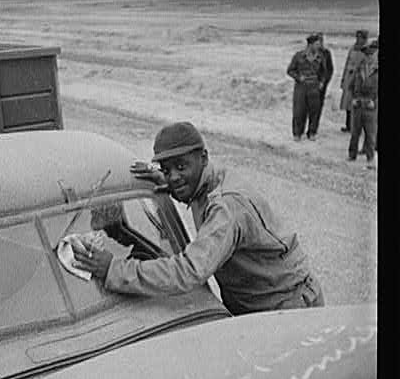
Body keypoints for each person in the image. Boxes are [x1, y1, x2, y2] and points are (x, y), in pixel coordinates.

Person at [72, 122, 324, 316]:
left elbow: (189, 271)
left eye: (181, 167)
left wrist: (112, 269)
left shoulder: (226, 207)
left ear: (203, 157)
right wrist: (170, 182)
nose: (173, 176)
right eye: (166, 169)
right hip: (255, 303)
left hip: (286, 305)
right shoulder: (209, 180)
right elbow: (196, 190)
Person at [286, 33, 327, 141]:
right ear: (310, 44)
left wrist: (322, 82)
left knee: (314, 111)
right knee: (299, 111)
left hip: (314, 86)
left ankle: (312, 132)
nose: (319, 46)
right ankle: (297, 133)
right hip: (301, 87)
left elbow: (324, 72)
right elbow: (290, 70)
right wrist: (299, 77)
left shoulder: (320, 57)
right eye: (317, 44)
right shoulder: (299, 56)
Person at [347, 39, 378, 169]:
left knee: (370, 134)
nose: (369, 57)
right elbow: (350, 86)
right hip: (358, 105)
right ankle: (352, 154)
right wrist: (353, 98)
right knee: (355, 132)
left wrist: (374, 102)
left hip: (370, 106)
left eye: (371, 54)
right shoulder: (359, 69)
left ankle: (370, 158)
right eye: (367, 55)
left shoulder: (377, 71)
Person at [340, 29, 368, 132]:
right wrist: (343, 79)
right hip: (349, 77)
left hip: (360, 79)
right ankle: (348, 125)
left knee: (358, 103)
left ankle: (358, 127)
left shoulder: (367, 50)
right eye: (357, 37)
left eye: (360, 37)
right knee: (348, 103)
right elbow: (347, 63)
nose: (358, 39)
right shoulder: (352, 48)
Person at [316, 32, 334, 131]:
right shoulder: (308, 53)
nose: (320, 42)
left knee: (318, 106)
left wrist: (325, 82)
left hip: (322, 84)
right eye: (318, 40)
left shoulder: (326, 53)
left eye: (321, 40)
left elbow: (330, 69)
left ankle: (313, 128)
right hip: (310, 83)